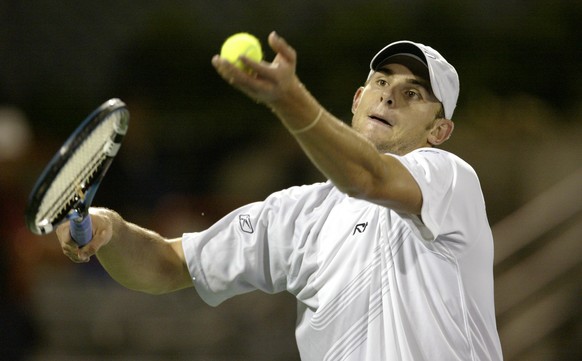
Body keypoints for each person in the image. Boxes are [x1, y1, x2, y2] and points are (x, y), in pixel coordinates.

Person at [57, 31, 503, 360]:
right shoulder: (298, 215)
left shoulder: (447, 178)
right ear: (358, 97)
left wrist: (288, 98)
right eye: (382, 82)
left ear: (439, 131)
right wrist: (110, 230)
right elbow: (167, 265)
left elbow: (368, 178)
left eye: (413, 94)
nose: (389, 98)